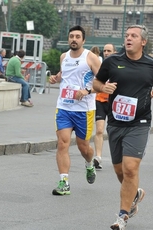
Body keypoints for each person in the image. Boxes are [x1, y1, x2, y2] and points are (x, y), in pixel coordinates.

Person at [92, 25, 153, 230]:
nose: (128, 39)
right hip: (116, 122)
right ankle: (134, 194)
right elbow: (96, 81)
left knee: (130, 168)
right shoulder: (112, 61)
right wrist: (102, 88)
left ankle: (122, 215)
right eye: (126, 36)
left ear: (143, 41)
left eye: (133, 36)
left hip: (139, 123)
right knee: (119, 171)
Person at [48, 25, 101, 196]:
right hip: (63, 106)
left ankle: (89, 163)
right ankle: (64, 182)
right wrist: (56, 78)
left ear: (83, 40)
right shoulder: (64, 56)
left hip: (84, 110)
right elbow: (65, 74)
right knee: (62, 143)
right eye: (71, 36)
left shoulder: (91, 58)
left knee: (83, 147)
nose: (74, 39)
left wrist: (86, 91)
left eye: (78, 36)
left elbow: (103, 83)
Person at [93, 43, 116, 170]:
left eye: (109, 51)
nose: (106, 53)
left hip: (114, 103)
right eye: (105, 51)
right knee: (99, 130)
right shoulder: (99, 65)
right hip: (100, 101)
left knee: (113, 132)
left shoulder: (118, 66)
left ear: (114, 52)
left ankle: (118, 157)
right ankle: (98, 157)